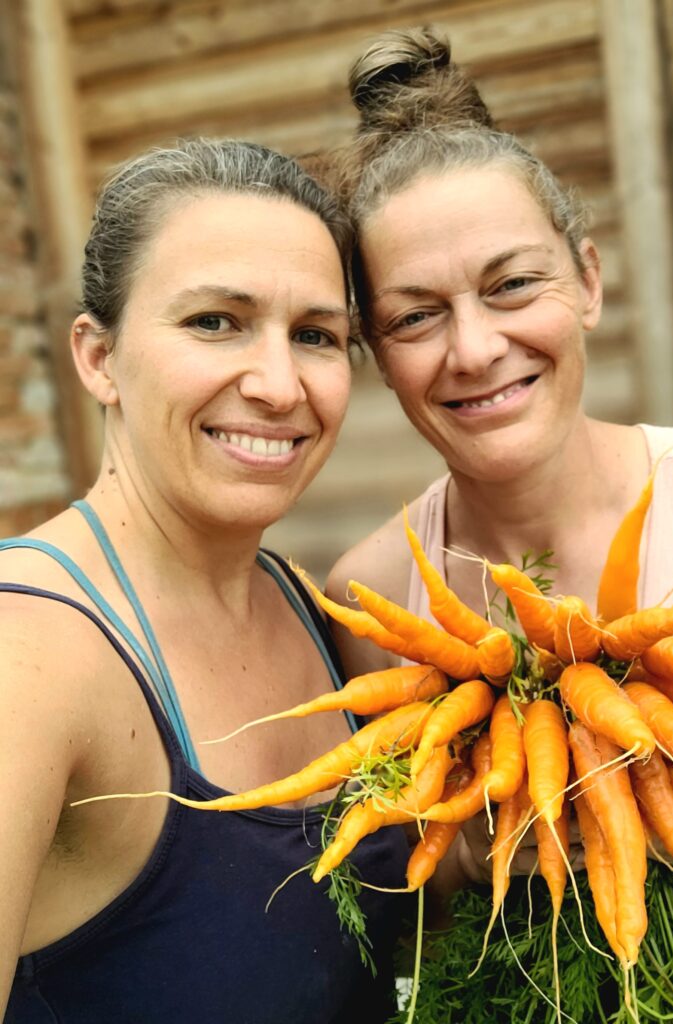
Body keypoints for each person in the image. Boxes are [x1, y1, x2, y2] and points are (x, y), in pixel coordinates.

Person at [325, 27, 673, 881]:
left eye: (512, 285)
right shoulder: (373, 596)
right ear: (380, 356)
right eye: (416, 316)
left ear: (589, 283)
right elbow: (432, 911)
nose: (476, 349)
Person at [0, 138, 408, 1023]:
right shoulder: (26, 662)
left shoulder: (319, 613)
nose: (276, 383)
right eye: (214, 321)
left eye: (315, 335)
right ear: (98, 358)